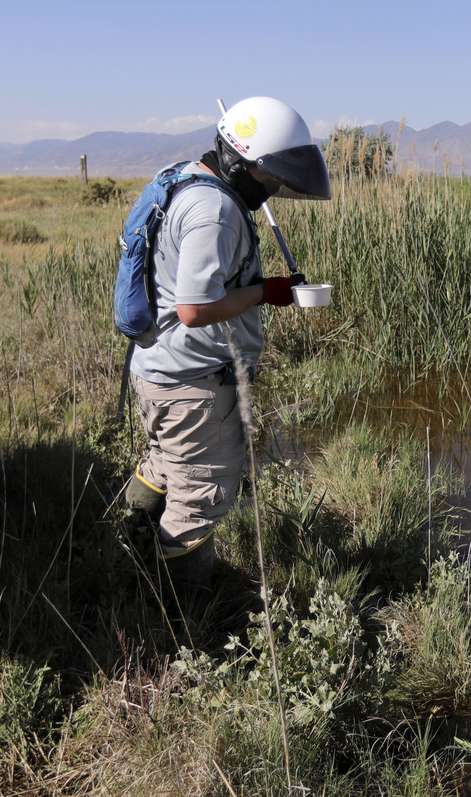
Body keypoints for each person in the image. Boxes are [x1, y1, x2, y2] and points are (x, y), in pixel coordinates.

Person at [123, 96, 331, 603]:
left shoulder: (183, 178)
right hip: (192, 386)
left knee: (163, 464)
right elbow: (195, 307)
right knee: (200, 497)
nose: (275, 188)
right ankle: (182, 621)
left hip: (159, 370)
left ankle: (127, 550)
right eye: (270, 178)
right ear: (241, 163)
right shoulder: (214, 210)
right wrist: (268, 291)